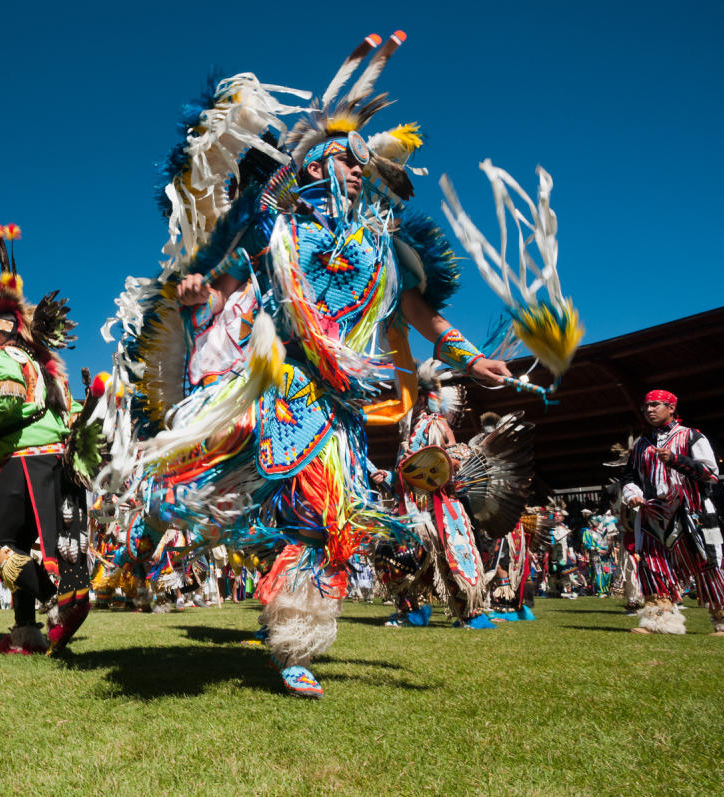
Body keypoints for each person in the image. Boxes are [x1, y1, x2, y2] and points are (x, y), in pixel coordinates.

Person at [100, 36, 529, 697]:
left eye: (365, 165)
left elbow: (421, 316)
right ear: (317, 163)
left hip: (338, 411)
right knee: (193, 480)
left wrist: (473, 360)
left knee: (328, 520)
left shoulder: (382, 247)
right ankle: (139, 540)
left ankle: (295, 639)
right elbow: (243, 209)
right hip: (273, 384)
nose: (359, 170)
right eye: (347, 157)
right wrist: (317, 120)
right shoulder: (278, 223)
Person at [0, 225, 87, 655]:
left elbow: (4, 404)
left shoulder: (4, 359)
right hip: (54, 461)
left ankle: (61, 593)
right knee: (21, 547)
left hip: (22, 460)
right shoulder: (46, 368)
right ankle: (25, 631)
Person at [622, 389, 724, 636]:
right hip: (653, 514)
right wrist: (632, 493)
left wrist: (676, 459)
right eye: (646, 406)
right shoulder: (641, 445)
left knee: (707, 563)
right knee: (653, 567)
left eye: (655, 405)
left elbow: (711, 474)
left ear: (672, 408)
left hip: (693, 512)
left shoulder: (691, 437)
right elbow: (629, 476)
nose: (649, 410)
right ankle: (660, 623)